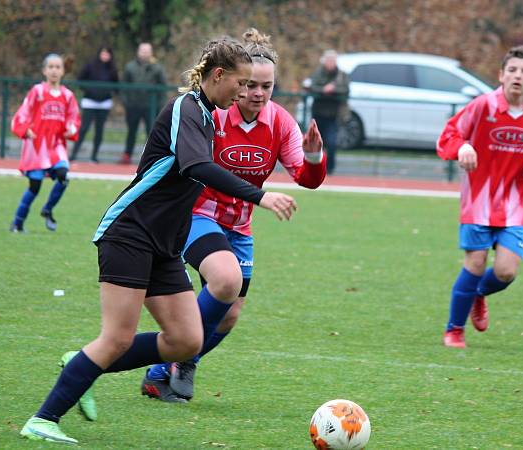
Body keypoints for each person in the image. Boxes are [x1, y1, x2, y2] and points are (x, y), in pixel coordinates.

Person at [19, 36, 298, 444]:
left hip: (165, 242)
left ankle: (82, 365)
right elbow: (198, 166)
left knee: (186, 340)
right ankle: (43, 419)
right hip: (130, 232)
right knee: (117, 337)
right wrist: (261, 194)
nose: (244, 93)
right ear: (217, 76)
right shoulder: (187, 108)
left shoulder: (207, 113)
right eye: (239, 84)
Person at [140, 28, 327, 402]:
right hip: (196, 215)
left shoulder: (280, 123)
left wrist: (313, 156)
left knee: (229, 314)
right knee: (225, 281)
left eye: (267, 87)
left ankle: (160, 373)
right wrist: (261, 196)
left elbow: (306, 179)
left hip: (239, 226)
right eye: (251, 85)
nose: (258, 94)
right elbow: (199, 167)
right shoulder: (214, 115)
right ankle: (187, 357)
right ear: (237, 82)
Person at [437, 46, 523, 348]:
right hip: (479, 202)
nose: (518, 76)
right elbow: (448, 136)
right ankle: (454, 330)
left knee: (506, 271)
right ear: (501, 75)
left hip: (516, 204)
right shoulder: (482, 106)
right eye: (512, 70)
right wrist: (462, 147)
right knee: (475, 264)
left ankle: (478, 294)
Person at [9, 54, 81, 232]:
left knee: (64, 176)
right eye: (50, 67)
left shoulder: (67, 95)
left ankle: (47, 209)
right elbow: (22, 113)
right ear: (44, 71)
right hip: (37, 147)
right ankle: (17, 223)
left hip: (56, 146)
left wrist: (71, 129)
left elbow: (74, 118)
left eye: (58, 67)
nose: (54, 70)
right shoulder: (37, 92)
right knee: (35, 186)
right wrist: (25, 129)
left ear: (63, 71)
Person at [120, 42, 167, 165]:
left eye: (147, 51)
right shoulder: (130, 67)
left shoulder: (157, 67)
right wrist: (126, 102)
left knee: (151, 132)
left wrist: (159, 105)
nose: (145, 53)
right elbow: (123, 86)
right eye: (142, 51)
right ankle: (127, 155)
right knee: (131, 131)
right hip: (133, 106)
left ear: (151, 52)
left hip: (151, 107)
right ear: (138, 52)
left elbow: (163, 87)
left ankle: (151, 157)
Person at [69, 46, 118, 163]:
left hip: (104, 103)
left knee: (99, 130)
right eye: (103, 53)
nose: (105, 56)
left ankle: (94, 156)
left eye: (107, 53)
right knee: (84, 128)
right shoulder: (90, 65)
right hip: (89, 102)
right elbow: (80, 79)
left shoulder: (112, 68)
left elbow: (116, 85)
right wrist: (88, 90)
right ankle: (74, 154)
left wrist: (108, 93)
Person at [308, 49, 349, 174]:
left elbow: (345, 89)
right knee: (315, 144)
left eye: (332, 60)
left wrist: (333, 89)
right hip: (318, 114)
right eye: (328, 60)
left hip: (333, 115)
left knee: (331, 143)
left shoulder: (342, 75)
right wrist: (323, 90)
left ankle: (329, 169)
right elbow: (312, 87)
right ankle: (314, 168)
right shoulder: (317, 73)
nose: (330, 63)